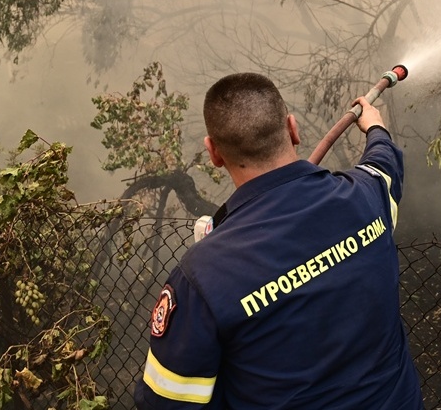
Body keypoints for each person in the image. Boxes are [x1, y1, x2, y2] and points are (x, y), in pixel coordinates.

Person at [134, 73, 423, 410]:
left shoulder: (203, 275)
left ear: (213, 152)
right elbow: (383, 165)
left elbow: (166, 402)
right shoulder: (366, 199)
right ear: (293, 128)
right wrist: (375, 127)